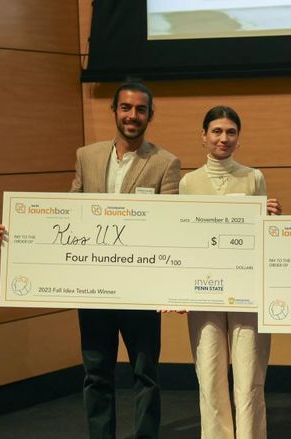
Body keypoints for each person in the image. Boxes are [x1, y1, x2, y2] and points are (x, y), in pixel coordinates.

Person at [75, 81, 180, 438]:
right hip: (93, 287)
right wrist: (18, 235)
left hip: (141, 290)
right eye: (125, 108)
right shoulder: (86, 156)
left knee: (145, 374)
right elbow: (67, 214)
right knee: (96, 373)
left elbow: (170, 228)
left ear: (150, 115)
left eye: (140, 109)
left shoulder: (165, 163)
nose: (132, 116)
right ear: (114, 111)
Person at [180, 105, 281, 438]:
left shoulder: (254, 177)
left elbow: (265, 236)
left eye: (231, 132)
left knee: (249, 378)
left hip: (248, 291)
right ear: (204, 137)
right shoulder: (187, 183)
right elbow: (181, 240)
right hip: (203, 293)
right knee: (209, 378)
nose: (224, 138)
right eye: (217, 131)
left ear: (239, 138)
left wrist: (273, 218)